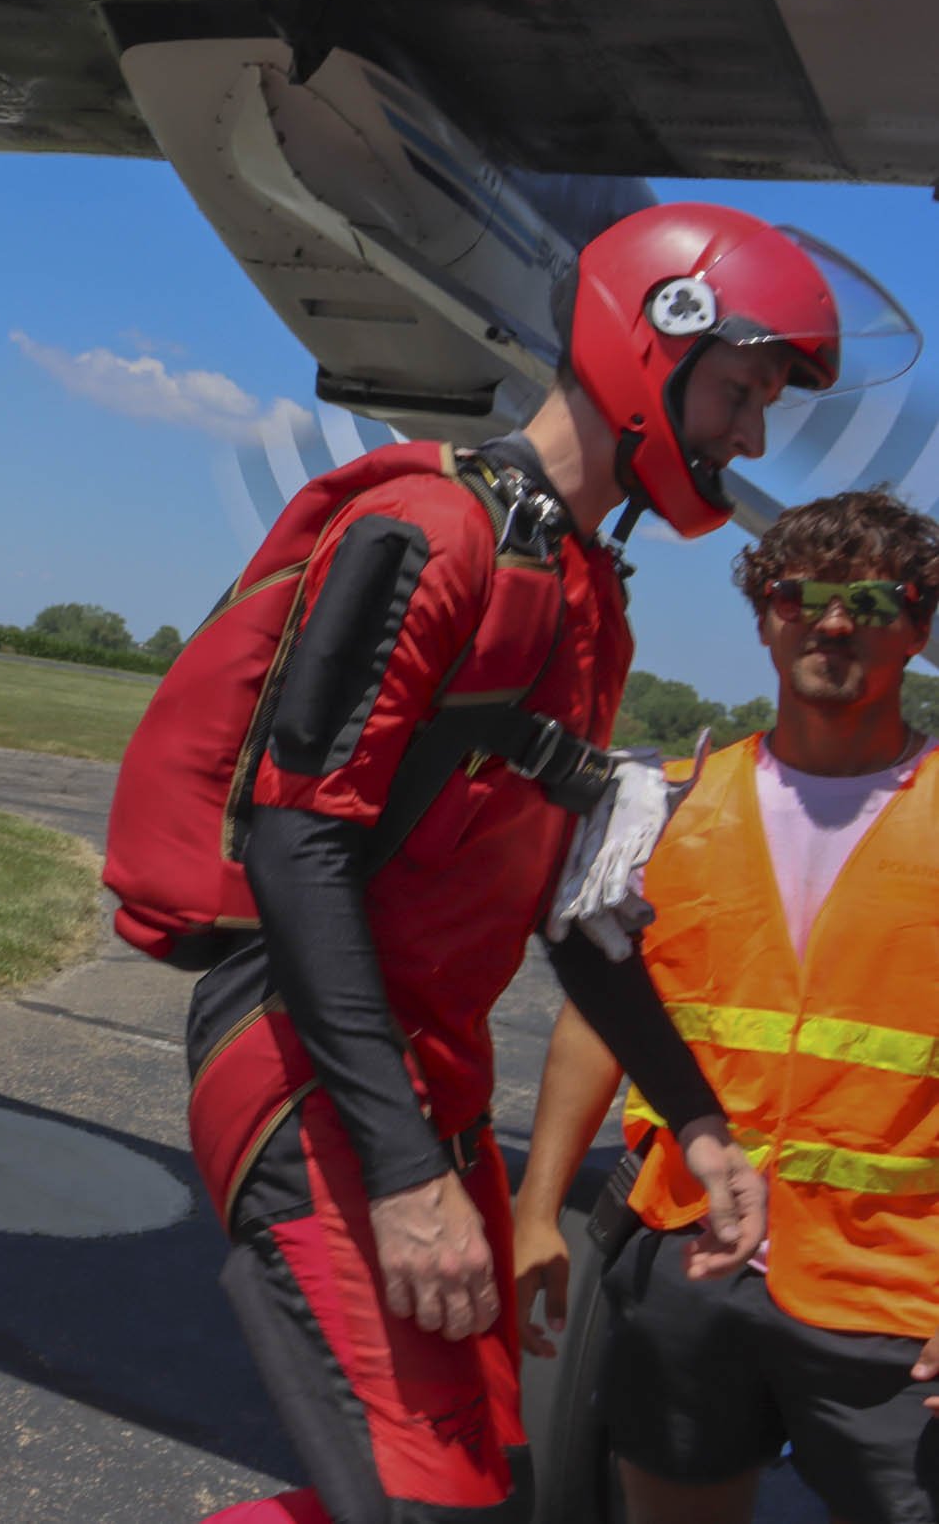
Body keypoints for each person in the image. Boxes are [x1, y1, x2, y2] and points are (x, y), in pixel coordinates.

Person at [182, 203, 917, 1524]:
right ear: (657, 344)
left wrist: (699, 1119)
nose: (751, 439)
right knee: (427, 1505)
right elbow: (295, 847)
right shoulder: (422, 531)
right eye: (744, 393)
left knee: (476, 1489)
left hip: (425, 1079)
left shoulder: (584, 595)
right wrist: (408, 1178)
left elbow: (568, 915)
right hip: (309, 1067)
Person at [513, 489, 939, 1524]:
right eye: (801, 594)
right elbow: (600, 1019)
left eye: (870, 598)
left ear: (918, 626)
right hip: (687, 1257)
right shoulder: (668, 804)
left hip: (894, 1289)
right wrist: (535, 1211)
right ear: (762, 614)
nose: (831, 621)